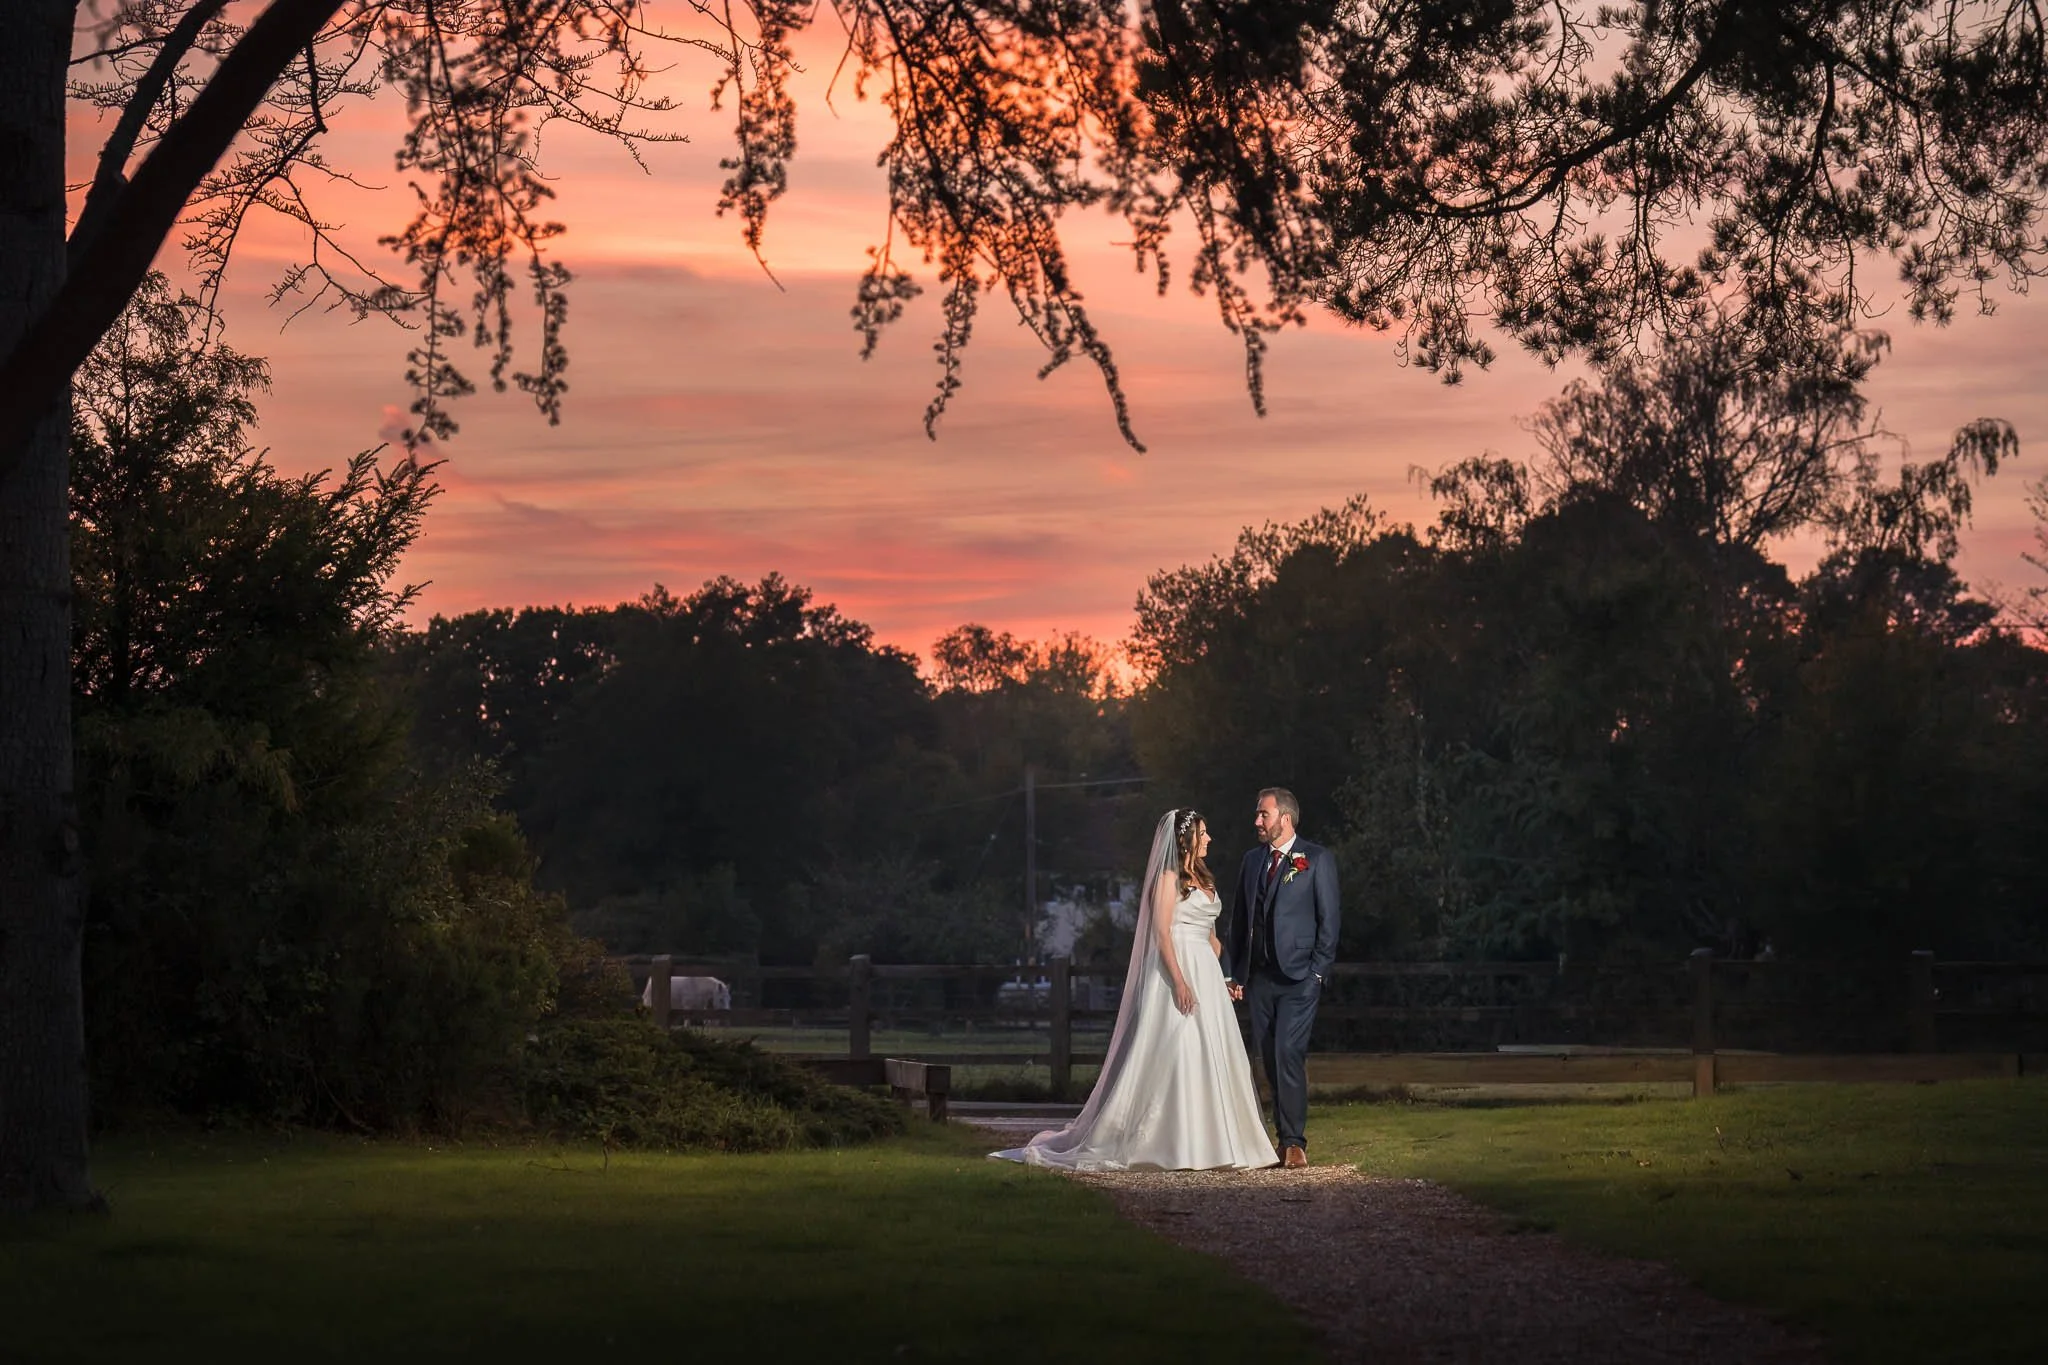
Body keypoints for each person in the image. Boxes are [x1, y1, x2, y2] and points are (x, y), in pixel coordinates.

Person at [990, 809, 1277, 1171]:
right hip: (1179, 966)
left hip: (1205, 968)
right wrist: (1179, 980)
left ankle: (1219, 1139)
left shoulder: (1204, 879)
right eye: (1203, 833)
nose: (1209, 839)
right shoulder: (1168, 879)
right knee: (1180, 1048)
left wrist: (1224, 978)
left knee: (1214, 1051)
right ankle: (1175, 1140)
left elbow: (1211, 937)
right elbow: (1161, 935)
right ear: (1186, 839)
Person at [1223, 787, 1339, 1169]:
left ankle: (1294, 1143)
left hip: (1299, 979)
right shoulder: (1252, 861)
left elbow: (1329, 922)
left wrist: (1317, 973)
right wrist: (1236, 972)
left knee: (1288, 1051)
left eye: (1263, 815)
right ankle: (1279, 1137)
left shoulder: (1316, 860)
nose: (1257, 821)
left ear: (1284, 819)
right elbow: (1239, 921)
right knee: (1268, 1058)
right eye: (1258, 815)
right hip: (1259, 979)